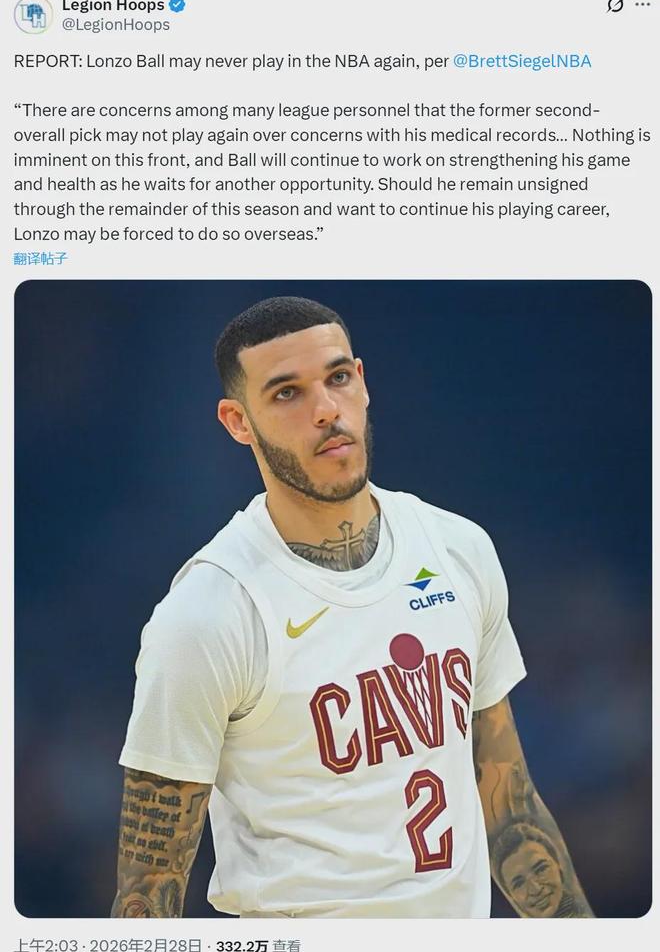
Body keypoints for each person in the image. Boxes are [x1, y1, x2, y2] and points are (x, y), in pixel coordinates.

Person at [112, 295, 593, 919]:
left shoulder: (458, 548)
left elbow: (510, 807)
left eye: (337, 378)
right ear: (237, 421)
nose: (326, 410)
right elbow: (147, 892)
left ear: (362, 382)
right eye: (287, 393)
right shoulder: (208, 613)